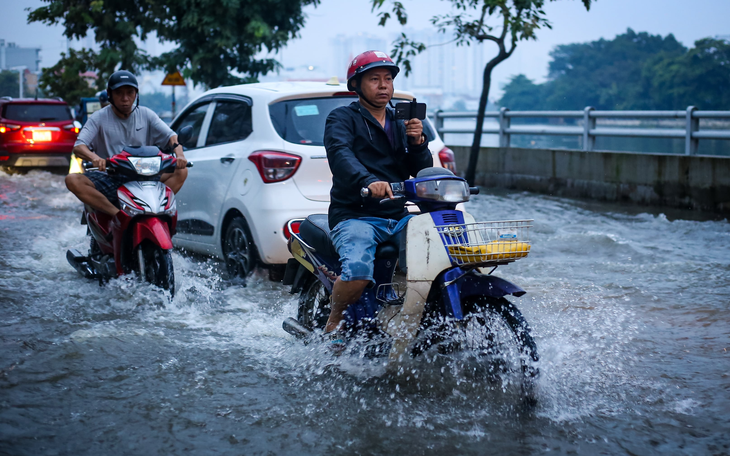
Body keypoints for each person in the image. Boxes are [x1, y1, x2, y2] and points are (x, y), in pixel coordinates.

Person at [323, 50, 433, 344]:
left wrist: (417, 142)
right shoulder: (342, 118)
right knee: (358, 271)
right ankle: (335, 321)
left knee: (438, 252)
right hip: (355, 215)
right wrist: (369, 181)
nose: (384, 85)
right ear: (356, 86)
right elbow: (340, 154)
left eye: (388, 79)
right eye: (374, 79)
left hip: (397, 216)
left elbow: (421, 170)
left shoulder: (400, 121)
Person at [65, 70, 188, 218]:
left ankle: (156, 210)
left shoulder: (146, 114)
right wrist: (95, 158)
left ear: (136, 94)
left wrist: (180, 156)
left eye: (130, 92)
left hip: (145, 176)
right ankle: (118, 215)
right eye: (119, 93)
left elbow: (172, 137)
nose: (125, 98)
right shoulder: (99, 117)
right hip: (110, 177)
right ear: (110, 94)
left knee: (182, 171)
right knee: (72, 180)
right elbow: (79, 146)